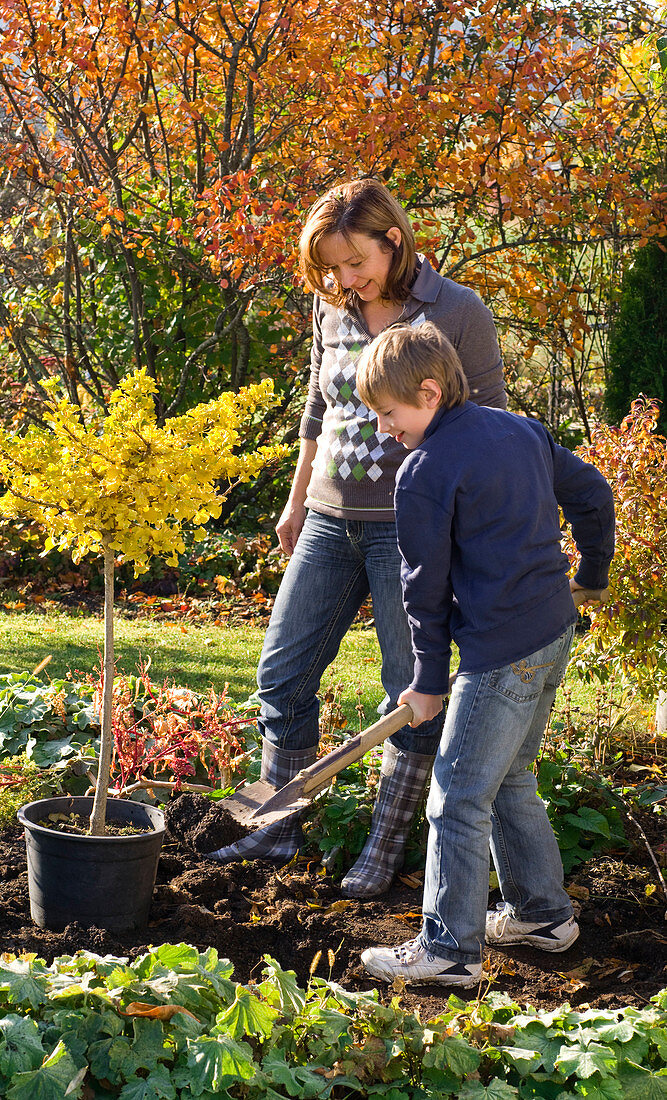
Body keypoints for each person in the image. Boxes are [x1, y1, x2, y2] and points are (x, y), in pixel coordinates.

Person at [209, 178, 507, 899]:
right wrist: (293, 501)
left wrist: (470, 531)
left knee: (409, 691)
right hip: (325, 518)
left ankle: (380, 846)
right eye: (331, 268)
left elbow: (489, 424)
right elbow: (318, 406)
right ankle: (278, 824)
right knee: (282, 675)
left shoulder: (456, 311)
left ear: (392, 240)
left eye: (354, 263)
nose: (343, 280)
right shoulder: (332, 306)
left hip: (410, 530)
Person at [353, 321, 614, 986]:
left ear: (430, 392)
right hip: (551, 632)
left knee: (456, 797)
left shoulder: (425, 473)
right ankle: (543, 915)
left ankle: (448, 950)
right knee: (510, 781)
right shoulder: (519, 430)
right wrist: (592, 574)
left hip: (501, 653)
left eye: (388, 414)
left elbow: (425, 594)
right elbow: (592, 494)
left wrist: (427, 681)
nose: (384, 429)